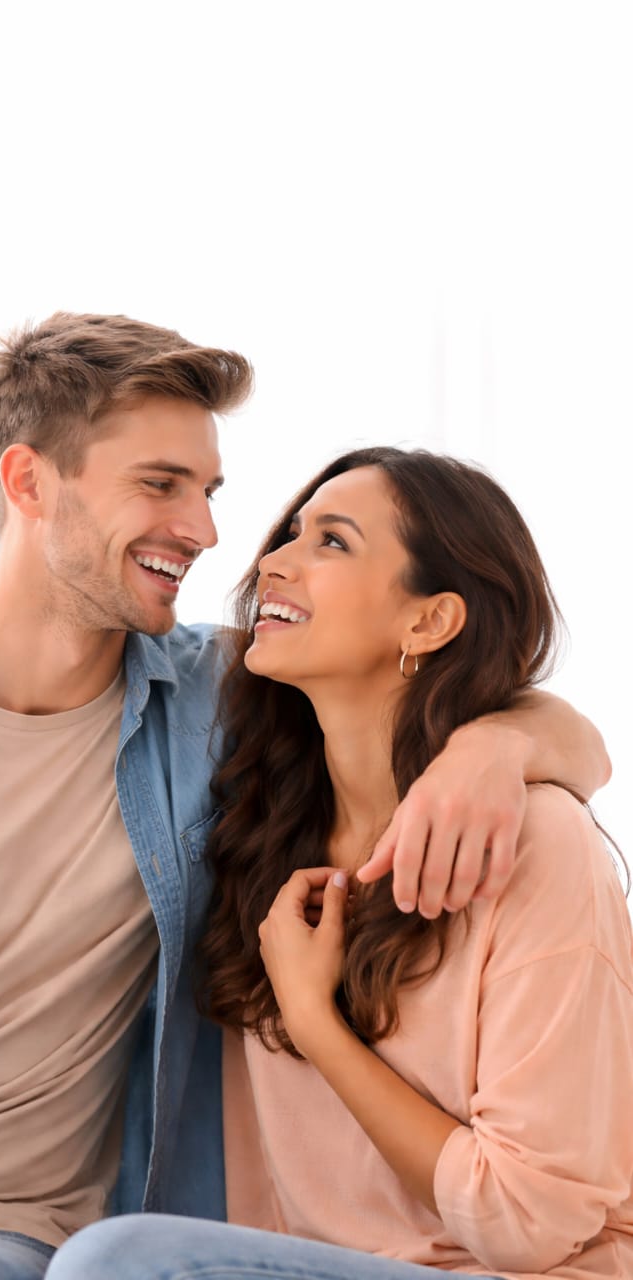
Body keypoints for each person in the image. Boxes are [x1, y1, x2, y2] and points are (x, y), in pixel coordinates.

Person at [0, 315, 609, 1280]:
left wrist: (498, 746)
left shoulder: (219, 707)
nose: (211, 535)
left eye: (208, 492)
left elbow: (491, 704)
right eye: (160, 484)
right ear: (28, 482)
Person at [45, 446, 632, 1280]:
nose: (272, 562)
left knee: (118, 1262)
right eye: (290, 533)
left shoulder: (532, 843)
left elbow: (527, 1225)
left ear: (428, 622)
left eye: (331, 541)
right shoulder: (256, 814)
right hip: (303, 1265)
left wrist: (312, 1020)